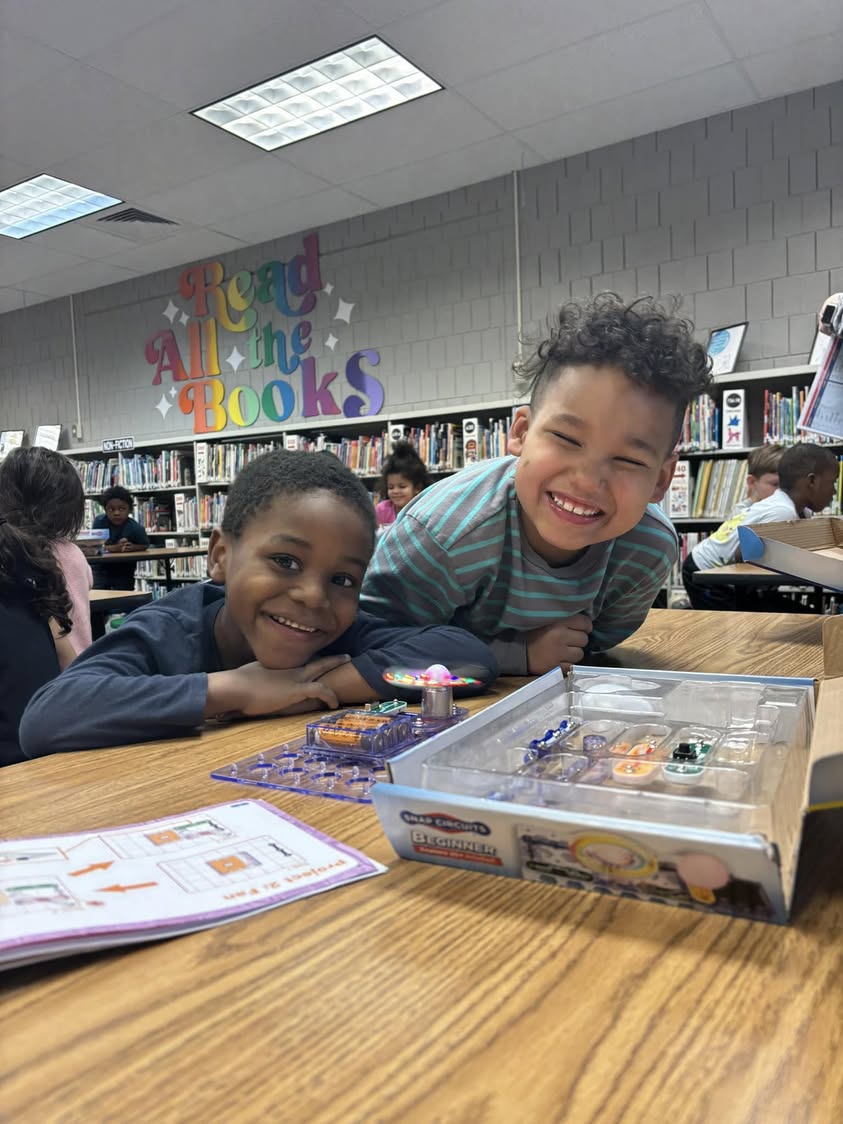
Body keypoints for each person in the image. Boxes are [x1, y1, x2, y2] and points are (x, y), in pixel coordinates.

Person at [19, 450, 496, 758]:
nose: (313, 595)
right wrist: (238, 691)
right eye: (286, 560)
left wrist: (307, 687)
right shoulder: (165, 631)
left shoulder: (337, 634)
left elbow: (468, 660)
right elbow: (46, 718)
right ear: (221, 556)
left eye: (342, 578)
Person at [361, 293, 713, 674]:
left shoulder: (647, 551)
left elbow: (589, 648)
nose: (587, 480)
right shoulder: (442, 535)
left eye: (628, 460)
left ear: (661, 479)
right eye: (566, 439)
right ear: (521, 433)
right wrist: (517, 655)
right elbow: (370, 641)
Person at [0, 447, 89, 765]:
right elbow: (70, 659)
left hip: (29, 740)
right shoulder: (61, 559)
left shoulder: (20, 561)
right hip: (61, 720)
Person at [682, 443, 839, 611]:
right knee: (731, 632)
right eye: (832, 483)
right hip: (706, 572)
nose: (834, 492)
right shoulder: (782, 513)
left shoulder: (799, 510)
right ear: (812, 481)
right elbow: (741, 553)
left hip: (730, 580)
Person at [681, 444, 784, 610]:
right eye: (775, 484)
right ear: (752, 482)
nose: (782, 492)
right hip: (703, 569)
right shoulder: (750, 511)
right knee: (723, 623)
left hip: (725, 574)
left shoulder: (759, 507)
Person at [90, 485, 150, 590]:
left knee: (124, 594)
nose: (116, 513)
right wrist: (115, 549)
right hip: (100, 569)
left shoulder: (135, 528)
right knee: (98, 593)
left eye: (122, 509)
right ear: (105, 509)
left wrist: (132, 547)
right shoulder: (99, 522)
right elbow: (93, 547)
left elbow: (145, 544)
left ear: (130, 510)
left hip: (124, 569)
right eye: (111, 509)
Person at [375, 441, 431, 529]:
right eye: (391, 487)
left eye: (402, 486)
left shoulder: (423, 511)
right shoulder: (382, 509)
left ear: (417, 488)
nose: (395, 491)